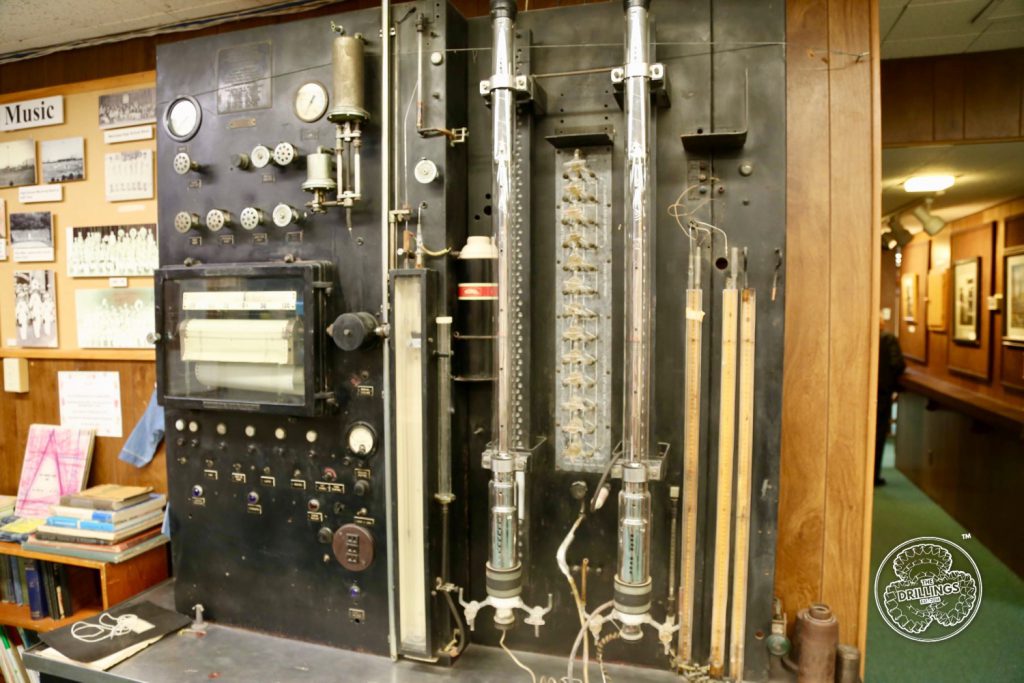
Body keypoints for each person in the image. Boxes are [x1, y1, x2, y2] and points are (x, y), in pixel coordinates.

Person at [876, 321, 906, 486]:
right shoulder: (888, 339)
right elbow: (898, 364)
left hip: (865, 393)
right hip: (882, 392)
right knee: (878, 435)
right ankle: (874, 476)